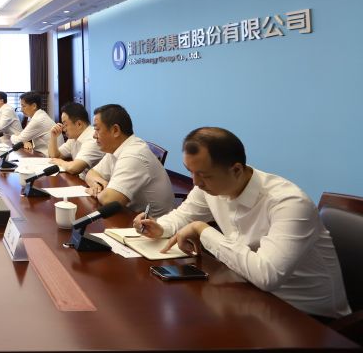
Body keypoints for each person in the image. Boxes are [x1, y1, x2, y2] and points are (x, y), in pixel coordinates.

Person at [134, 127, 350, 319]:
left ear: (236, 169)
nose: (196, 182)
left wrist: (202, 230)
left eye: (203, 175)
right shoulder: (210, 186)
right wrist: (160, 227)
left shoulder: (289, 203)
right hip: (251, 294)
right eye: (190, 171)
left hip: (308, 317)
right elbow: (184, 215)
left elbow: (267, 276)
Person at [84, 104, 174, 217]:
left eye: (97, 129)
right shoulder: (116, 148)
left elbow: (110, 200)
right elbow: (91, 173)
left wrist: (96, 192)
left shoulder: (134, 155)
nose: (94, 135)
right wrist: (98, 184)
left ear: (115, 130)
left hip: (152, 224)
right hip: (130, 215)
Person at [47, 102, 104, 175]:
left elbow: (74, 168)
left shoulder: (92, 139)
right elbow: (54, 156)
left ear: (79, 124)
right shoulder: (73, 138)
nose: (63, 129)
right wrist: (53, 137)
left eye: (65, 124)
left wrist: (61, 162)